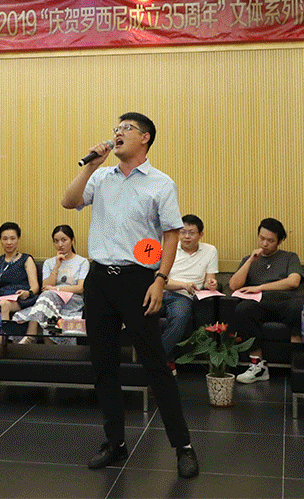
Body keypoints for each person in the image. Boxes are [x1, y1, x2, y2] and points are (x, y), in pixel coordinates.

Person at [62, 112, 198, 479]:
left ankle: (183, 446)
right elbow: (68, 201)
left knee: (155, 365)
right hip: (99, 280)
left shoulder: (160, 183)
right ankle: (115, 442)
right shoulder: (101, 176)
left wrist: (160, 280)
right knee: (104, 366)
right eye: (116, 129)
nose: (118, 133)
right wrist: (91, 165)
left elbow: (171, 234)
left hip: (139, 280)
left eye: (126, 128)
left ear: (145, 138)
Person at [230, 218, 304, 385]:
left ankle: (298, 364)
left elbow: (293, 282)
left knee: (299, 307)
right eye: (262, 238)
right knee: (242, 310)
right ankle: (258, 366)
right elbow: (234, 285)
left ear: (280, 241)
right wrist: (250, 261)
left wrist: (260, 287)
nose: (264, 243)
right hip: (260, 302)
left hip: (285, 301)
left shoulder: (290, 257)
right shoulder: (249, 259)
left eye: (270, 240)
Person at [12, 225, 90, 343]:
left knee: (47, 296)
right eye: (56, 241)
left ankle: (31, 335)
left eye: (64, 240)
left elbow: (80, 288)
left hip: (73, 301)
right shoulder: (49, 263)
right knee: (47, 306)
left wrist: (56, 289)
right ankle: (48, 351)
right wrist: (57, 266)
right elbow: (45, 286)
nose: (60, 244)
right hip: (51, 301)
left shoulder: (82, 262)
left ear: (72, 240)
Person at [160, 214, 219, 363]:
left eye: (191, 233)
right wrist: (184, 285)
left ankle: (157, 359)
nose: (186, 236)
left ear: (201, 234)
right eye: (182, 232)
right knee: (138, 312)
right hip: (161, 292)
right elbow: (159, 279)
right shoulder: (167, 248)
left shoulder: (210, 251)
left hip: (183, 297)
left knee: (180, 318)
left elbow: (209, 280)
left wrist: (211, 284)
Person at [0, 222, 39, 344]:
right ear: (0, 240)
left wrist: (28, 293)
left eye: (12, 238)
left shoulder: (26, 259)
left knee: (2, 305)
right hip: (2, 296)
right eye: (5, 239)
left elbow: (35, 286)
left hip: (20, 297)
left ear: (18, 239)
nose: (9, 242)